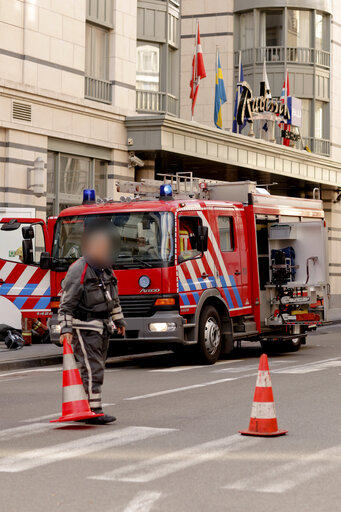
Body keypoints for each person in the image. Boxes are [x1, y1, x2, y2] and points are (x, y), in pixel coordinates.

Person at [58, 218, 126, 424]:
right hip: (84, 327)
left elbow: (113, 298)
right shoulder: (79, 269)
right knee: (92, 368)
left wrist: (119, 321)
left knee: (96, 368)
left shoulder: (105, 268)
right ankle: (93, 411)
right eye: (102, 247)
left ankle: (89, 407)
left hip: (101, 328)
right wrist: (66, 329)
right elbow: (66, 302)